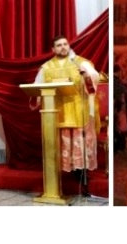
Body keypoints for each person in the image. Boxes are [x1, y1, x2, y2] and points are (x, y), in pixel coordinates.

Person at [34, 35, 100, 196]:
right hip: (57, 115)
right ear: (53, 49)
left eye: (65, 44)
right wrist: (34, 95)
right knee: (60, 150)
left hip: (79, 113)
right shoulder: (46, 67)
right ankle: (56, 187)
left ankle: (84, 186)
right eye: (59, 45)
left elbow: (95, 77)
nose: (63, 47)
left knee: (81, 150)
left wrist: (86, 76)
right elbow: (36, 87)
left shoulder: (81, 62)